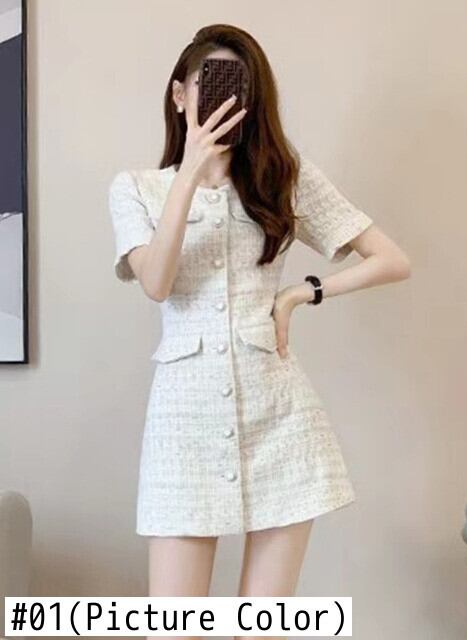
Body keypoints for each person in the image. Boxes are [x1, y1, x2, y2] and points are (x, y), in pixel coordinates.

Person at [108, 22, 411, 629]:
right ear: (179, 95)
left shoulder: (282, 179)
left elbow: (392, 259)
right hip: (183, 427)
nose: (225, 99)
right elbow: (156, 282)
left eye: (239, 87)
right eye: (210, 83)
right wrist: (189, 174)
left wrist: (302, 293)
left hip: (280, 421)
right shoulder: (136, 189)